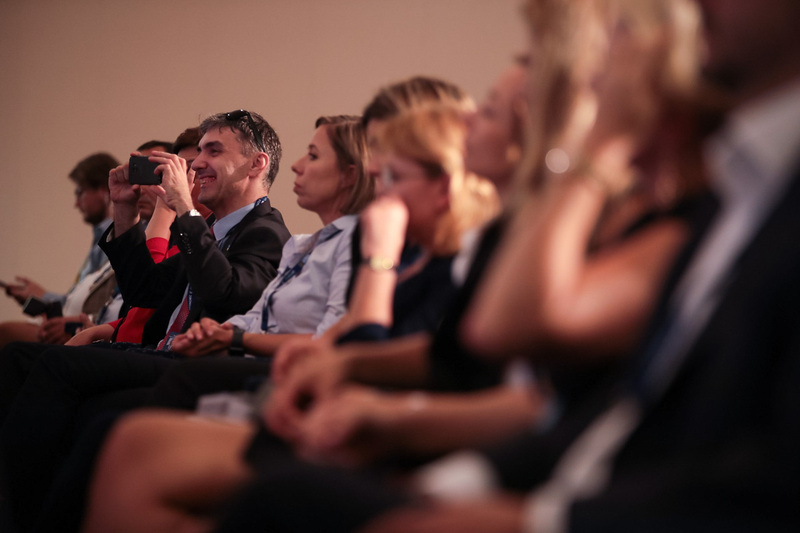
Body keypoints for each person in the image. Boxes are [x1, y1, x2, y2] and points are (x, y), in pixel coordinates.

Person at [353, 0, 800, 529]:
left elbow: (504, 341)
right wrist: (450, 483)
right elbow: (601, 419)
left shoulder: (691, 218)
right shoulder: (729, 204)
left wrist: (597, 147)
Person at [0, 109, 291, 531]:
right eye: (199, 151)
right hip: (159, 352)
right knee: (18, 360)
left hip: (198, 364)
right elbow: (147, 294)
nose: (197, 163)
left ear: (256, 163)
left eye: (214, 150)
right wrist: (123, 213)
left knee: (58, 367)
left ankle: (25, 518)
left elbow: (224, 295)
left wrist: (186, 210)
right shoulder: (217, 230)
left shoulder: (265, 231)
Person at [0, 153, 118, 348]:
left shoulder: (114, 236)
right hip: (75, 322)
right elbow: (82, 294)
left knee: (5, 334)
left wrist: (43, 296)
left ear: (103, 191)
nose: (76, 203)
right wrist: (40, 298)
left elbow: (97, 303)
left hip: (86, 328)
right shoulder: (101, 235)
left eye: (80, 192)